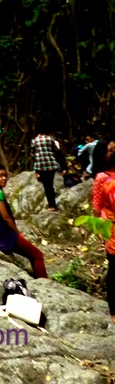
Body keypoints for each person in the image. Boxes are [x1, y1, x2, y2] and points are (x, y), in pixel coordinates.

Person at [0, 164, 47, 278]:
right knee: (37, 255)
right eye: (0, 176)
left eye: (6, 176)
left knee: (31, 255)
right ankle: (44, 283)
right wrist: (17, 233)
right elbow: (5, 217)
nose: (4, 178)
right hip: (5, 236)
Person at [90, 138, 115, 323]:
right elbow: (97, 208)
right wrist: (100, 230)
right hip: (111, 229)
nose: (113, 152)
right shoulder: (101, 178)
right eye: (110, 150)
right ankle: (114, 310)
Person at [31, 131, 67, 211]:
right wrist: (64, 167)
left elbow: (34, 154)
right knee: (50, 184)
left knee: (46, 186)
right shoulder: (50, 139)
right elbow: (58, 152)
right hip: (51, 165)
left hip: (41, 166)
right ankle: (53, 205)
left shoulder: (34, 140)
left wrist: (36, 170)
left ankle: (51, 205)